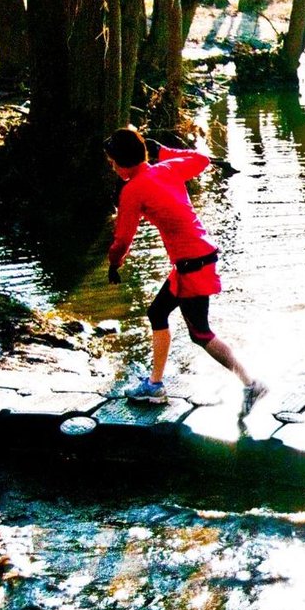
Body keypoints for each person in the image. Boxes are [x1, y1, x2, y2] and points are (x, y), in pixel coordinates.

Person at [104, 127, 267, 415]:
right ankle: (154, 385)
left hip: (192, 265)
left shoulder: (132, 189)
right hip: (194, 260)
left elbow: (122, 240)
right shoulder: (166, 168)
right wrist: (163, 151)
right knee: (157, 313)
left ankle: (252, 382)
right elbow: (201, 159)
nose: (113, 168)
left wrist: (114, 264)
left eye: (112, 163)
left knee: (201, 334)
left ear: (120, 162)